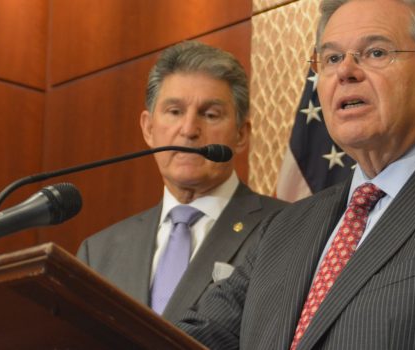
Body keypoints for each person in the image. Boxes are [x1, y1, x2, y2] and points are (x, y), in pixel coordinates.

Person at [175, 0, 415, 349]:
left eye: (376, 52)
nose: (345, 72)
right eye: (331, 58)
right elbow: (186, 337)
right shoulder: (284, 228)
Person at [77, 41, 287, 323]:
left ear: (241, 135)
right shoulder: (99, 252)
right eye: (175, 112)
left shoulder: (286, 228)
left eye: (210, 114)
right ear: (149, 128)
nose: (189, 130)